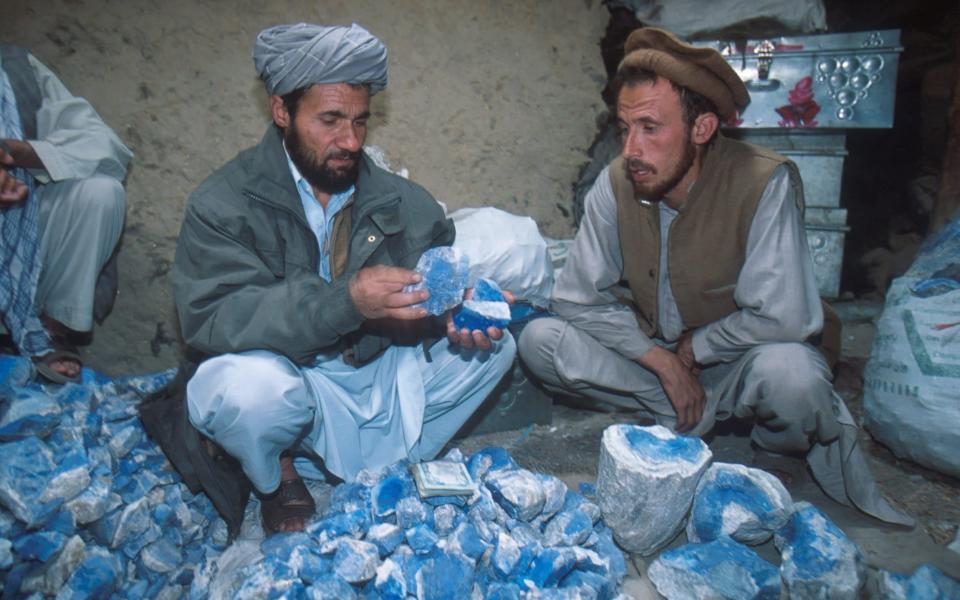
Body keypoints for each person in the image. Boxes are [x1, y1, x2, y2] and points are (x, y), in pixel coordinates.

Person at [518, 27, 912, 526]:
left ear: (702, 129)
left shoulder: (763, 181)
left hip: (738, 366)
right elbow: (576, 299)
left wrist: (695, 350)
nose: (632, 149)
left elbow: (787, 318)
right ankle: (683, 415)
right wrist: (662, 360)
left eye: (650, 128)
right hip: (658, 362)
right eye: (623, 128)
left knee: (793, 377)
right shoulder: (618, 179)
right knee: (540, 340)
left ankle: (771, 451)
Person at [141, 23, 515, 536]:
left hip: (371, 372)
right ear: (281, 111)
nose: (351, 140)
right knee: (245, 394)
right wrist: (350, 300)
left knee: (499, 349)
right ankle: (278, 475)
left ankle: (353, 465)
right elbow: (214, 318)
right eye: (331, 120)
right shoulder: (222, 204)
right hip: (287, 373)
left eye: (361, 121)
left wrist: (453, 311)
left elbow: (427, 292)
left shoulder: (404, 202)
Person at [0, 45, 131, 383]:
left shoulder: (13, 68)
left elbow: (104, 147)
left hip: (17, 244)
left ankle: (47, 332)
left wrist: (19, 153)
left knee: (100, 193)